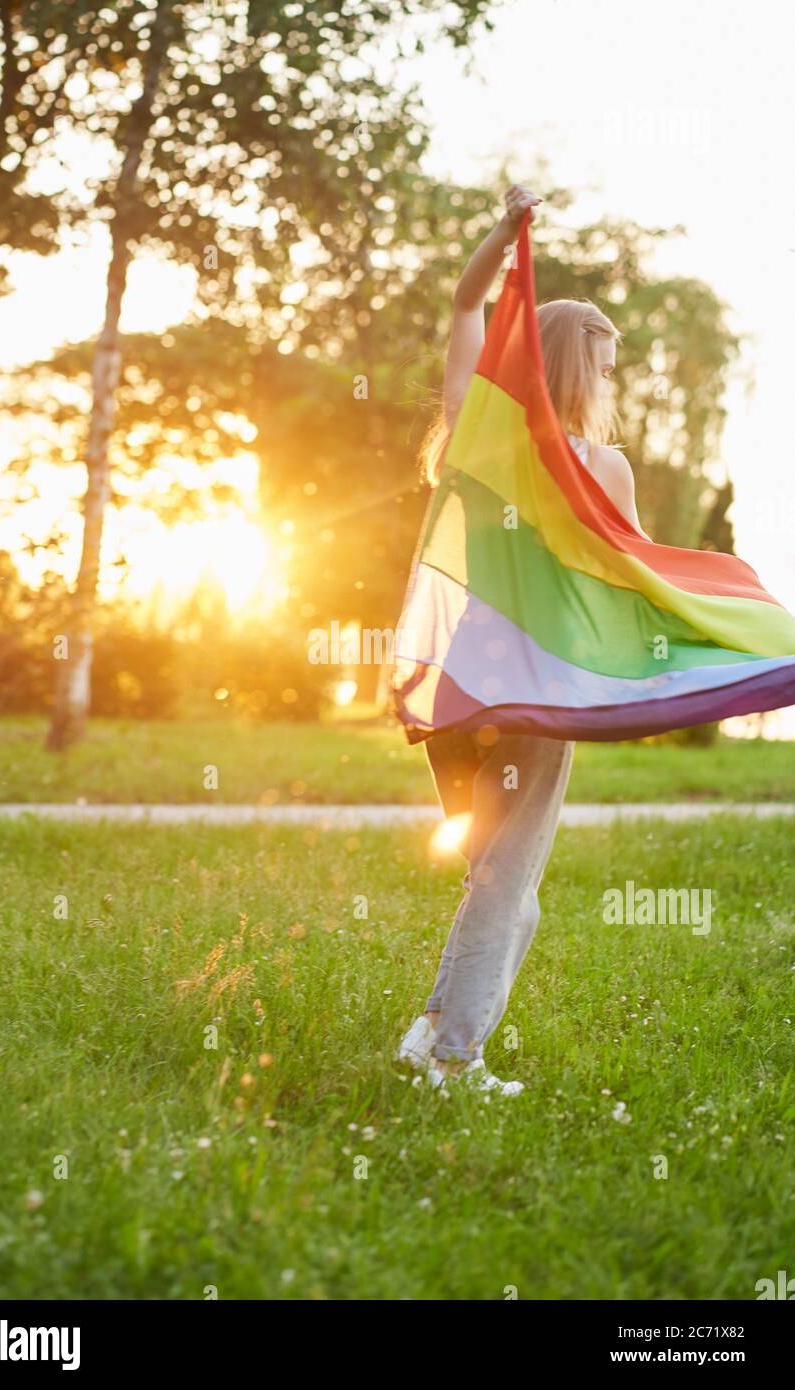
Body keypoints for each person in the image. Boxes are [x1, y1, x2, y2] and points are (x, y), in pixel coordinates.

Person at [396, 184, 651, 1098]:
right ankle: (456, 1061)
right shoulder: (604, 468)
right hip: (535, 696)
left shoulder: (477, 439)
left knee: (499, 883)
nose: (613, 388)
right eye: (609, 369)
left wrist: (506, 235)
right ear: (585, 372)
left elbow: (467, 304)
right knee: (507, 884)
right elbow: (625, 585)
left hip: (457, 688)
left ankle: (431, 1033)